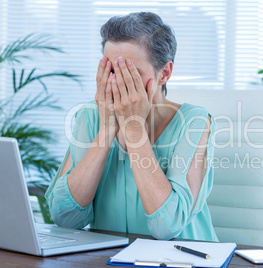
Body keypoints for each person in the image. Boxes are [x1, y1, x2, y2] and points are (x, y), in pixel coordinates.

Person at [45, 12, 218, 242]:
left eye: (131, 75)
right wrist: (106, 130)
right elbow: (64, 218)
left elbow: (167, 226)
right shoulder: (90, 116)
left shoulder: (195, 123)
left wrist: (134, 130)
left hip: (185, 260)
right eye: (111, 72)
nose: (118, 84)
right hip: (107, 259)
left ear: (164, 73)